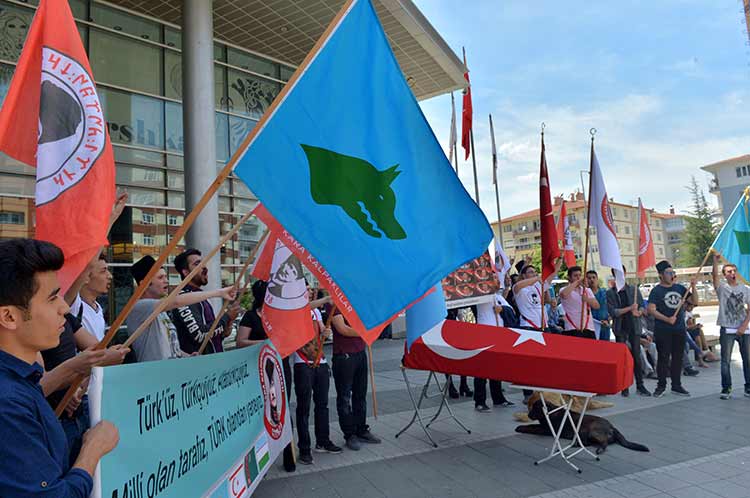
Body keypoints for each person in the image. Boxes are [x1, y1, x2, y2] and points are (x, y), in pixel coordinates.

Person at [0, 239, 120, 497]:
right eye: (52, 297)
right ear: (9, 317)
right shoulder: (8, 404)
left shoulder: (22, 380)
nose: (64, 308)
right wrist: (92, 450)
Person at [127, 256, 236, 362]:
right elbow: (176, 301)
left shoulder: (161, 312)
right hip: (155, 375)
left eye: (165, 276)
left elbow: (171, 349)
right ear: (144, 284)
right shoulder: (139, 307)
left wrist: (187, 357)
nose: (167, 281)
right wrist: (219, 293)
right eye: (160, 278)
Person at [236, 280, 296, 472]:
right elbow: (240, 342)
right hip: (260, 370)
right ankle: (261, 457)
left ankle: (289, 455)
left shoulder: (279, 316)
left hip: (281, 368)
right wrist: (264, 342)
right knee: (266, 412)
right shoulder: (251, 317)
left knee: (283, 408)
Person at [293, 283, 342, 465]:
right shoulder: (295, 310)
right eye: (306, 288)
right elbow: (302, 308)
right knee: (303, 407)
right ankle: (304, 449)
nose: (310, 291)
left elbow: (323, 332)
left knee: (322, 405)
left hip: (320, 361)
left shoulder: (315, 313)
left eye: (311, 289)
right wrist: (327, 299)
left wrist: (326, 333)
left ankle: (323, 441)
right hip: (302, 364)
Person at [170, 248, 240, 355]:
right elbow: (200, 335)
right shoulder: (184, 299)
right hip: (199, 366)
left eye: (203, 263)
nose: (204, 267)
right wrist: (227, 317)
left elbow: (216, 336)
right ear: (186, 272)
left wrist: (229, 322)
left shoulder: (201, 297)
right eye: (197, 264)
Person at [331, 308, 381, 451]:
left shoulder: (355, 301)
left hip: (359, 352)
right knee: (345, 398)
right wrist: (366, 333)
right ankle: (349, 434)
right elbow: (343, 329)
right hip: (344, 355)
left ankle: (361, 429)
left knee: (360, 395)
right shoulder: (335, 302)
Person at [648, 260, 696, 397]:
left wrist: (693, 287)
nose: (672, 275)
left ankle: (677, 385)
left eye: (672, 272)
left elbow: (694, 302)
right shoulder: (656, 291)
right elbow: (651, 309)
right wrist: (667, 319)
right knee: (663, 358)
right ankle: (661, 386)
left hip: (679, 329)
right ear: (661, 275)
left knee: (678, 357)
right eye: (669, 273)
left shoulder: (680, 288)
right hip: (663, 330)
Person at [606, 266, 651, 397]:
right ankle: (624, 386)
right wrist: (630, 308)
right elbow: (613, 312)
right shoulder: (611, 293)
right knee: (623, 358)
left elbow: (643, 306)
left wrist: (640, 312)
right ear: (613, 275)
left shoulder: (634, 289)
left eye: (621, 272)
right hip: (620, 328)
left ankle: (640, 385)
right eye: (616, 273)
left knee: (637, 356)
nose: (619, 275)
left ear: (625, 273)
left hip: (634, 327)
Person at [711, 253, 750, 399]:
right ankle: (726, 388)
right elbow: (714, 277)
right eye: (729, 272)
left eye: (734, 271)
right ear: (724, 275)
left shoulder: (745, 289)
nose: (732, 274)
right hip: (727, 328)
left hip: (743, 329)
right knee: (725, 360)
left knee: (747, 359)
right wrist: (714, 261)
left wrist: (744, 325)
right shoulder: (722, 288)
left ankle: (748, 387)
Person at [472, 295, 513, 412]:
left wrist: (502, 309)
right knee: (481, 370)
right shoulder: (481, 296)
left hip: (498, 336)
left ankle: (498, 398)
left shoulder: (498, 297)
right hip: (484, 335)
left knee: (496, 369)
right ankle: (479, 401)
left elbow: (511, 310)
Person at [512, 259, 561, 331]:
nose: (534, 274)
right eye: (531, 272)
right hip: (528, 326)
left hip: (544, 325)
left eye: (535, 272)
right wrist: (537, 278)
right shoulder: (519, 288)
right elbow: (518, 285)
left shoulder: (538, 286)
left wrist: (560, 258)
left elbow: (553, 273)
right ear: (524, 275)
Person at [71, 255, 110, 342]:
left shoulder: (98, 307)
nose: (110, 276)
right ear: (86, 276)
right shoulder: (75, 305)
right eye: (103, 271)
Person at [559, 266, 600, 339]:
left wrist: (587, 299)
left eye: (579, 275)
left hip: (588, 327)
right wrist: (577, 282)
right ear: (569, 277)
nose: (578, 278)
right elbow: (563, 294)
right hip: (572, 327)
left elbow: (596, 306)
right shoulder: (564, 289)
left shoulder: (587, 290)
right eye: (575, 276)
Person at [587, 270, 611, 341]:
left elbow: (612, 308)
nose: (592, 280)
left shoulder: (605, 293)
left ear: (597, 279)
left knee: (605, 348)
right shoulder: (584, 294)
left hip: (604, 325)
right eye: (589, 278)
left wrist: (608, 319)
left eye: (594, 277)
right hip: (590, 327)